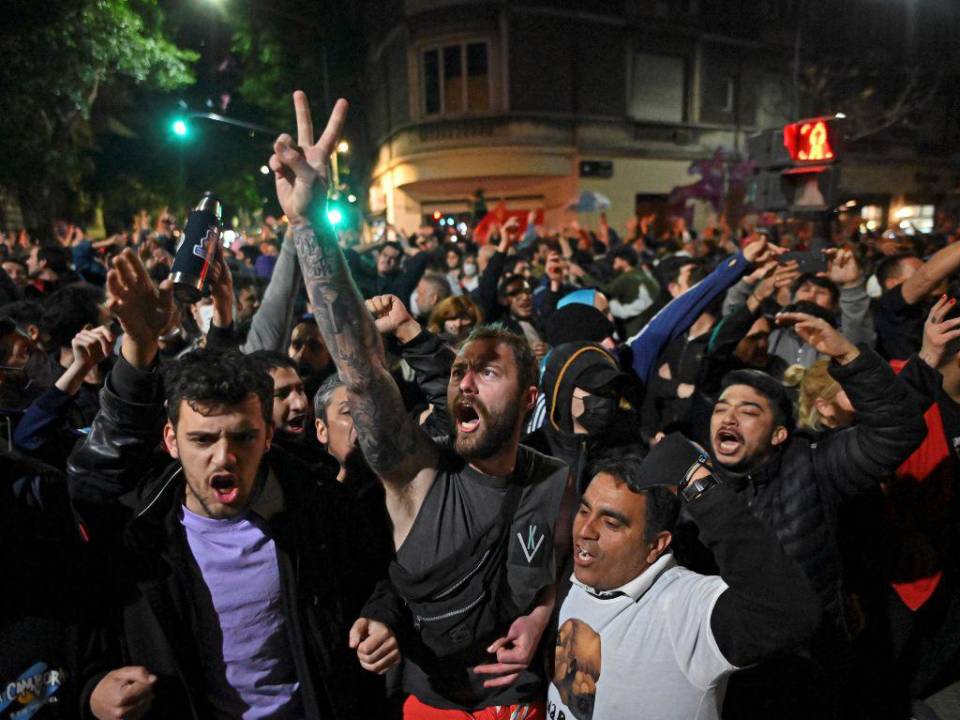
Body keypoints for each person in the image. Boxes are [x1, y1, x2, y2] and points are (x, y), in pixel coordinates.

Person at [271, 91, 569, 718]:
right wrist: (308, 227)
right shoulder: (416, 470)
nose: (462, 383)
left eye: (487, 372)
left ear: (531, 399)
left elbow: (565, 561)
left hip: (520, 700)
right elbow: (361, 367)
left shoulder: (558, 477)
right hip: (425, 702)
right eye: (457, 370)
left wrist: (542, 614)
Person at [67, 248, 391, 719]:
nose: (225, 456)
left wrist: (384, 618)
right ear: (171, 441)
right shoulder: (138, 532)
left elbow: (379, 583)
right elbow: (85, 645)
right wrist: (92, 694)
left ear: (269, 436)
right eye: (202, 439)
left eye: (243, 437)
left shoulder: (322, 510)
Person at [547, 437, 819, 720]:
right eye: (584, 511)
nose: (585, 531)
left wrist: (699, 485)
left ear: (656, 545)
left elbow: (789, 612)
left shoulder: (684, 608)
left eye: (611, 523)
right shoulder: (581, 574)